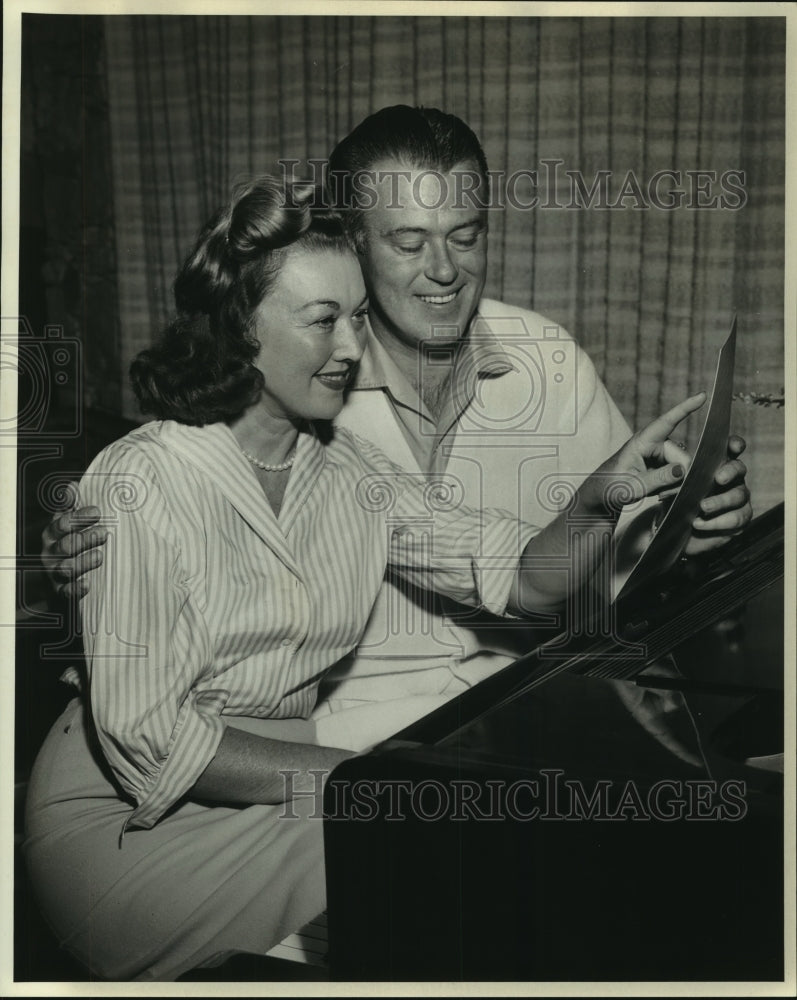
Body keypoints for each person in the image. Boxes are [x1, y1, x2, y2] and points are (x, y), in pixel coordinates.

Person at [24, 174, 704, 981]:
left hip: (286, 789)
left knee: (481, 871)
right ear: (241, 327)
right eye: (322, 322)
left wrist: (598, 501)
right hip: (128, 825)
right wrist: (370, 782)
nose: (351, 348)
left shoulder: (349, 468)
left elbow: (522, 581)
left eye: (356, 318)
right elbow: (151, 739)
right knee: (444, 852)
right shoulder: (140, 476)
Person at [41, 105, 752, 750]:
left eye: (464, 237)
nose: (443, 270)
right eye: (408, 243)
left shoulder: (548, 358)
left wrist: (682, 533)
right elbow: (163, 538)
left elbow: (599, 575)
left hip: (517, 707)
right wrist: (79, 566)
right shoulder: (291, 378)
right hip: (332, 735)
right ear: (350, 243)